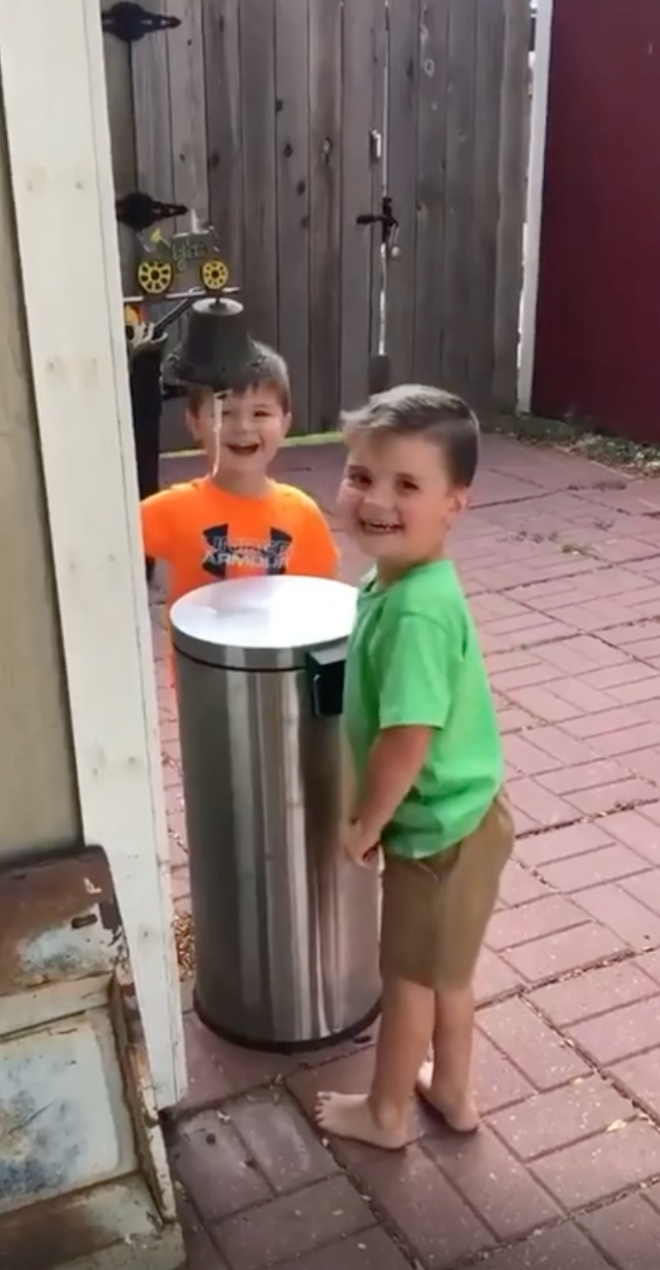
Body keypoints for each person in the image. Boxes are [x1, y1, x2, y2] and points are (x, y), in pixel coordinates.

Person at [316, 384, 513, 1150]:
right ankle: (454, 1094)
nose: (375, 500)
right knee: (447, 975)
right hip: (469, 820)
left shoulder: (415, 611)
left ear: (453, 504)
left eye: (406, 485)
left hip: (435, 838)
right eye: (361, 475)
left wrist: (365, 821)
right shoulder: (394, 582)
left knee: (407, 983)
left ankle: (387, 1112)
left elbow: (406, 739)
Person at [140, 344, 338, 609]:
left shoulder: (303, 515)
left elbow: (322, 600)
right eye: (226, 413)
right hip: (197, 651)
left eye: (260, 413)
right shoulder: (172, 509)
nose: (243, 427)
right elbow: (105, 549)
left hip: (276, 650)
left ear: (285, 424)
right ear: (195, 424)